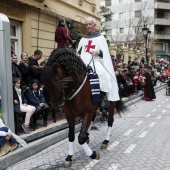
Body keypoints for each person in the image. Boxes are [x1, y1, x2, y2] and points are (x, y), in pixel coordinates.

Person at [77, 16, 119, 102]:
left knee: (101, 73)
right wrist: (77, 55)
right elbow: (79, 52)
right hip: (83, 62)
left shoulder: (100, 38)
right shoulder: (83, 39)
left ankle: (102, 97)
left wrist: (97, 53)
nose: (88, 26)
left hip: (96, 61)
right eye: (86, 24)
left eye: (90, 24)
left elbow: (105, 55)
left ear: (94, 25)